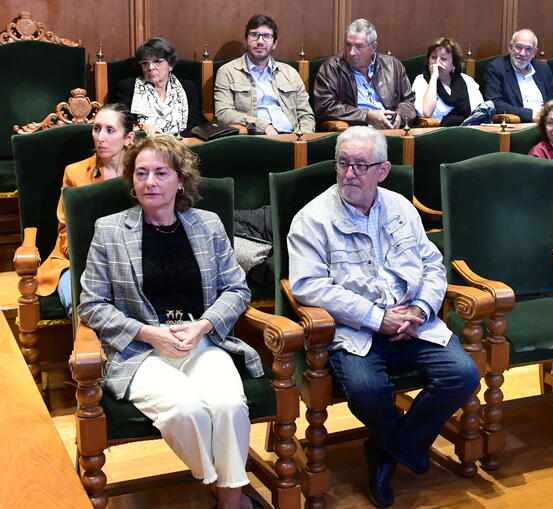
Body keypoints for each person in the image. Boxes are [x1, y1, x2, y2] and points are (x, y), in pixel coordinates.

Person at [287, 126, 480, 508]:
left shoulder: (402, 208)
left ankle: (388, 451)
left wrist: (421, 308)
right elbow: (308, 286)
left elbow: (432, 264)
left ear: (383, 170)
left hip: (414, 321)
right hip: (355, 329)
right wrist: (377, 318)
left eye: (361, 165)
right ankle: (402, 447)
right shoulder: (312, 219)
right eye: (343, 163)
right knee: (367, 392)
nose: (349, 174)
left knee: (463, 375)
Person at [78, 135, 263, 509]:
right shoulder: (110, 230)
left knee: (228, 404)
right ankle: (218, 482)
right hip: (140, 349)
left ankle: (229, 502)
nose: (150, 182)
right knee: (186, 409)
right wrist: (147, 333)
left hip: (200, 339)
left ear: (181, 180)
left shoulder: (206, 224)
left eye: (161, 173)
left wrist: (203, 326)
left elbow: (237, 289)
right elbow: (91, 304)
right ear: (131, 181)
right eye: (142, 173)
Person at [35, 103, 136, 317]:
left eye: (110, 130)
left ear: (128, 138)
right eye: (97, 128)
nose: (100, 137)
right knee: (81, 305)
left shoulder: (143, 173)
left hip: (130, 261)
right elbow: (66, 231)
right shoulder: (75, 172)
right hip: (76, 261)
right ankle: (86, 350)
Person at [214, 14, 315, 134]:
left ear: (274, 43)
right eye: (254, 35)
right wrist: (263, 126)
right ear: (246, 39)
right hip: (254, 139)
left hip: (293, 137)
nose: (260, 41)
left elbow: (306, 115)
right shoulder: (227, 72)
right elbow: (224, 113)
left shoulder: (290, 73)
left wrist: (301, 137)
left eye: (267, 36)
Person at [314, 19, 416, 129]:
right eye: (348, 45)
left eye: (359, 46)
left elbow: (410, 102)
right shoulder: (332, 67)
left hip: (392, 129)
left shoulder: (393, 65)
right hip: (356, 131)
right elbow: (324, 107)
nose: (351, 52)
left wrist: (399, 116)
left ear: (373, 47)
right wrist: (366, 115)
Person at [114, 37, 204, 137]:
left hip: (181, 145)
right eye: (145, 63)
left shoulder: (187, 88)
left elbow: (194, 126)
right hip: (143, 146)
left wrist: (173, 144)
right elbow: (122, 122)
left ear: (170, 65)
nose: (151, 67)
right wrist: (141, 127)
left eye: (157, 61)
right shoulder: (128, 87)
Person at [482, 29, 553, 123]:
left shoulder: (543, 69)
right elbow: (495, 103)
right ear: (510, 47)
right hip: (517, 125)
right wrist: (531, 115)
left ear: (534, 53)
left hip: (548, 124)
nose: (522, 53)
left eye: (528, 49)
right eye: (518, 47)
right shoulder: (496, 68)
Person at [412, 37, 484, 126]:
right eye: (433, 57)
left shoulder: (467, 81)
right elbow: (427, 113)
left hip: (467, 131)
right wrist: (434, 77)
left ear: (454, 64)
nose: (437, 62)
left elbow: (479, 112)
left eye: (443, 59)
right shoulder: (421, 80)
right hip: (435, 133)